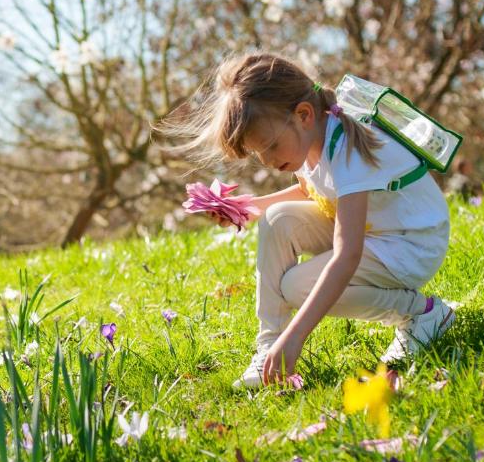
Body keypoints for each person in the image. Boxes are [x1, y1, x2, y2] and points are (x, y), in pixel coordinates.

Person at [165, 53, 454, 389]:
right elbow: (313, 191)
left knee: (297, 287)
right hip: (379, 231)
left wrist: (297, 336)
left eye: (271, 146)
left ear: (303, 114)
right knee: (276, 219)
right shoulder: (313, 134)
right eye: (260, 154)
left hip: (411, 244)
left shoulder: (347, 150)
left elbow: (348, 256)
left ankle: (421, 312)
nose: (269, 161)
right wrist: (248, 208)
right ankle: (268, 349)